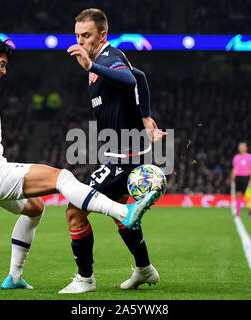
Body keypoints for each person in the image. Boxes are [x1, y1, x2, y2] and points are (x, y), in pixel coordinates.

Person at [0, 38, 158, 290]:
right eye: (1, 64)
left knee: (34, 208)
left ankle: (15, 277)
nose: (4, 71)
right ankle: (123, 212)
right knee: (62, 177)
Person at [60, 8, 166, 294]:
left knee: (75, 211)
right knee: (121, 212)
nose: (80, 42)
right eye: (77, 36)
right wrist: (145, 116)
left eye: (87, 36)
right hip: (118, 153)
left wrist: (91, 67)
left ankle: (85, 279)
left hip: (125, 156)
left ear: (102, 34)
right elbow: (141, 77)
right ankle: (145, 269)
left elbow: (130, 81)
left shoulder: (107, 58)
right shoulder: (101, 60)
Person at [231, 142, 251, 217]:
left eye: (243, 146)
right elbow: (234, 169)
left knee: (248, 195)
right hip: (238, 177)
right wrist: (233, 180)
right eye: (240, 146)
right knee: (238, 194)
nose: (241, 147)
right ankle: (238, 212)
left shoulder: (249, 157)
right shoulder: (236, 157)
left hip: (246, 177)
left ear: (246, 148)